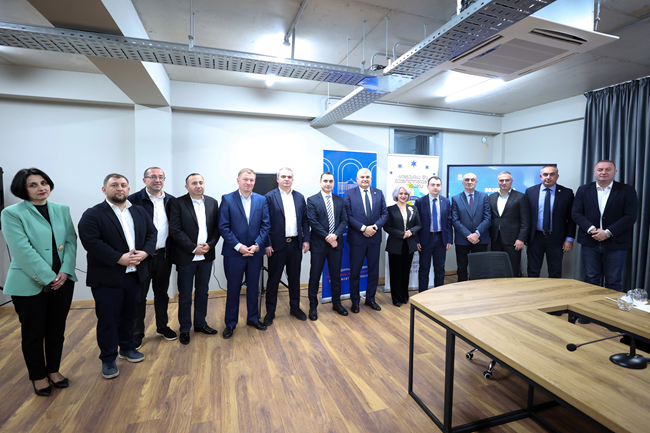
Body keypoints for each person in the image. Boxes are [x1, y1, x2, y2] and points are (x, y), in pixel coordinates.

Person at [1, 168, 77, 396]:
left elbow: (71, 242)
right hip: (29, 283)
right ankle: (38, 376)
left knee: (56, 329)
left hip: (63, 280)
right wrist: (49, 277)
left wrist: (65, 271)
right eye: (33, 185)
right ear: (22, 189)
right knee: (33, 333)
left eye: (43, 182)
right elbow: (22, 250)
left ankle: (53, 370)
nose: (41, 188)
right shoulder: (11, 213)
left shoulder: (62, 209)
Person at [78, 174, 156, 379]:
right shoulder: (93, 214)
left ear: (128, 189)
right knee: (108, 320)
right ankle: (108, 358)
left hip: (135, 275)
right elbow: (91, 241)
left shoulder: (138, 211)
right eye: (114, 185)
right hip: (107, 277)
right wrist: (118, 258)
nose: (119, 188)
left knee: (130, 316)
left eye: (123, 185)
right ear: (105, 190)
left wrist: (145, 252)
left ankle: (127, 348)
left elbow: (152, 233)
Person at [168, 173, 220, 345]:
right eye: (194, 183)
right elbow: (175, 230)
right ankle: (184, 328)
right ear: (187, 186)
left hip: (206, 256)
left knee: (203, 292)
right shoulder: (177, 203)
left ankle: (200, 323)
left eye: (200, 182)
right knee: (185, 294)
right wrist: (193, 248)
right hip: (186, 256)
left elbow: (216, 228)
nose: (198, 185)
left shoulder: (212, 202)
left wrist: (210, 245)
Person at [219, 168, 271, 339]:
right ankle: (230, 323)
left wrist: (256, 246)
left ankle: (253, 318)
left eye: (252, 180)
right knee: (233, 289)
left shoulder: (261, 200)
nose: (249, 183)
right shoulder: (227, 199)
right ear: (238, 181)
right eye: (245, 179)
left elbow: (266, 226)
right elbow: (223, 227)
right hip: (234, 254)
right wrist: (239, 246)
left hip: (255, 253)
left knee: (254, 288)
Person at [572, 160, 638, 292]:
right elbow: (576, 213)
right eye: (600, 169)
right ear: (594, 172)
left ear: (615, 172)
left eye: (608, 169)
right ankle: (592, 305)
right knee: (591, 279)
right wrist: (592, 230)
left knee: (614, 281)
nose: (604, 172)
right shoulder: (583, 189)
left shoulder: (627, 190)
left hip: (617, 242)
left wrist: (607, 232)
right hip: (590, 242)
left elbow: (630, 216)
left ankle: (610, 306)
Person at [128, 167, 176, 348]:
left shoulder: (171, 201)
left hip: (164, 255)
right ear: (144, 180)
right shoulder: (133, 200)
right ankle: (137, 332)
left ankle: (162, 326)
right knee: (139, 296)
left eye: (161, 177)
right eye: (153, 177)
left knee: (162, 294)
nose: (157, 180)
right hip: (142, 257)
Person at [263, 167, 310, 325]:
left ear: (292, 179)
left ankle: (295, 308)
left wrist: (306, 240)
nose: (286, 179)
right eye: (283, 176)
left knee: (295, 278)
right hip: (276, 246)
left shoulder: (299, 197)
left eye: (289, 177)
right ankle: (270, 311)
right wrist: (267, 244)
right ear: (277, 179)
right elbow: (265, 223)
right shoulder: (269, 197)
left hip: (295, 244)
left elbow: (305, 220)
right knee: (273, 279)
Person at [343, 168, 388, 312]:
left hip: (374, 238)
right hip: (357, 239)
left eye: (367, 177)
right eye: (362, 177)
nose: (365, 179)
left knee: (373, 271)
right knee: (355, 272)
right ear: (357, 179)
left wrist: (374, 227)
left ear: (371, 179)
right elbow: (347, 215)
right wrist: (363, 228)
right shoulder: (349, 194)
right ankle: (355, 301)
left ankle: (370, 299)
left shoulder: (378, 193)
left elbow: (385, 214)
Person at [306, 172, 349, 320]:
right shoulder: (312, 200)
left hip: (336, 245)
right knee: (314, 276)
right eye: (325, 181)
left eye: (331, 181)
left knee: (336, 276)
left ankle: (337, 303)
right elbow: (313, 222)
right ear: (320, 182)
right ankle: (313, 306)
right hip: (319, 245)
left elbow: (344, 220)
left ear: (334, 183)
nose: (328, 183)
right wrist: (329, 237)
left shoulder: (339, 200)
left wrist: (335, 235)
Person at [525, 166, 575, 278]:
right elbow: (526, 217)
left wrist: (569, 239)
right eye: (545, 174)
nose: (548, 177)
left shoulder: (567, 193)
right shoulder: (530, 192)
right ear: (540, 176)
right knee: (533, 270)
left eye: (552, 174)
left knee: (555, 271)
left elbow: (571, 218)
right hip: (535, 238)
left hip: (556, 238)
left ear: (557, 176)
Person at [384, 185, 421, 306]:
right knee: (395, 272)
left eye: (405, 194)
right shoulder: (390, 209)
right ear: (396, 195)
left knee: (405, 271)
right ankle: (396, 298)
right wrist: (402, 234)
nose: (403, 196)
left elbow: (418, 224)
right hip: (395, 244)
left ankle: (405, 296)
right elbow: (387, 227)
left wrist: (410, 232)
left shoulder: (413, 208)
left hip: (409, 245)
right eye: (401, 193)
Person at [488, 171, 530, 276]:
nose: (504, 182)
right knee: (496, 267)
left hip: (513, 241)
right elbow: (489, 218)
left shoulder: (520, 197)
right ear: (497, 182)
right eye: (501, 180)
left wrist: (521, 239)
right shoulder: (491, 197)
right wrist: (488, 236)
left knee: (513, 268)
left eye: (507, 180)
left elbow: (525, 221)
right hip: (495, 239)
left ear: (511, 181)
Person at [451, 173, 491, 281]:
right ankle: (463, 289)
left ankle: (477, 289)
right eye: (467, 179)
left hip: (480, 239)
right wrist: (468, 235)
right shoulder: (455, 198)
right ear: (463, 182)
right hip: (462, 239)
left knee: (479, 267)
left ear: (476, 182)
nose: (469, 182)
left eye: (472, 180)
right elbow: (455, 220)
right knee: (462, 267)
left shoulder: (484, 197)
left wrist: (477, 233)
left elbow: (488, 218)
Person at [415, 176, 453, 291]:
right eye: (433, 185)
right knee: (424, 268)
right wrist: (417, 240)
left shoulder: (446, 201)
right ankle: (422, 294)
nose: (435, 187)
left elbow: (449, 222)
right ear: (428, 187)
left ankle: (438, 293)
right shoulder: (420, 202)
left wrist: (449, 240)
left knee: (440, 268)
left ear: (441, 187)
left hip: (441, 239)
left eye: (438, 185)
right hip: (425, 239)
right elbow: (416, 222)